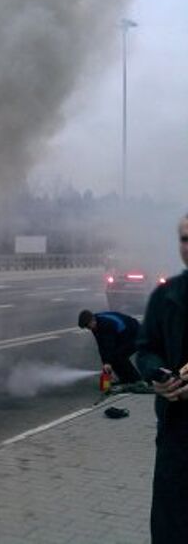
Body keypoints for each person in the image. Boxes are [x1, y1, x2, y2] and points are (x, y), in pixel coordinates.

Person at [136, 214, 188, 543]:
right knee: (170, 526)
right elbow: (145, 349)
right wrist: (157, 374)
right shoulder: (165, 296)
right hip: (175, 433)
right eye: (184, 238)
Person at [77, 309, 142, 384]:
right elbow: (101, 345)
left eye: (88, 326)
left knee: (119, 356)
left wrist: (107, 362)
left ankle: (136, 380)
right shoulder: (95, 325)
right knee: (113, 358)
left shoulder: (105, 324)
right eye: (86, 327)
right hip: (122, 335)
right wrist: (105, 363)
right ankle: (125, 380)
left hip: (135, 335)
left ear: (92, 320)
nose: (88, 328)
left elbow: (109, 344)